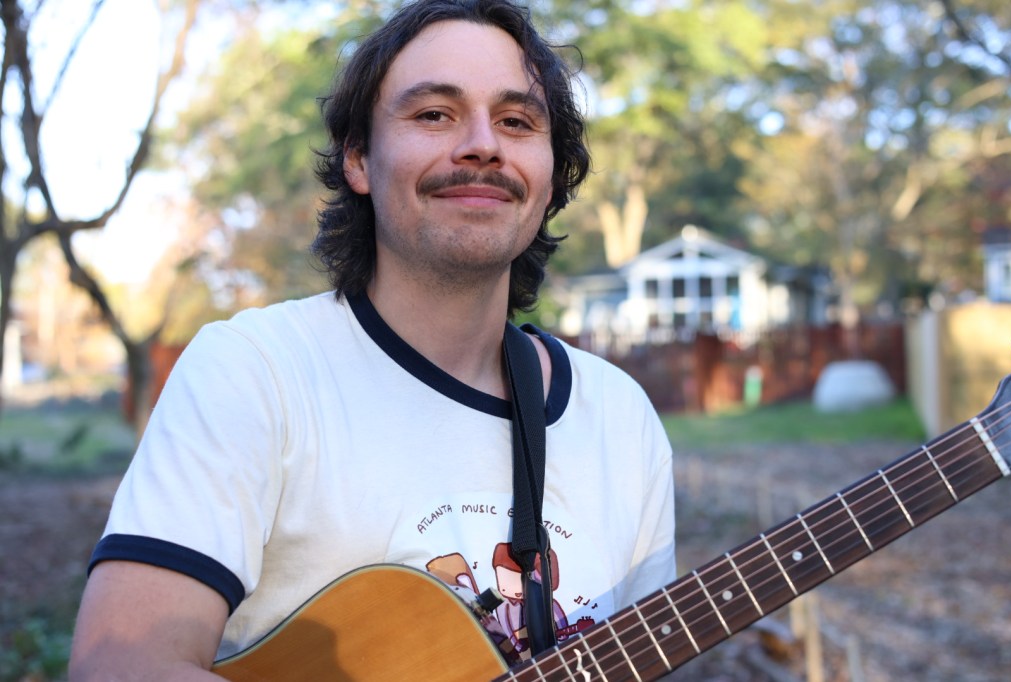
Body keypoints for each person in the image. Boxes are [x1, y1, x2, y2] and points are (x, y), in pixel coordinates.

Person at [68, 1, 676, 679]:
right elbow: (118, 665)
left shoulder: (620, 419)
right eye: (434, 114)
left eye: (516, 121)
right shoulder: (257, 371)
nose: (484, 144)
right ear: (358, 158)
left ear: (552, 170)